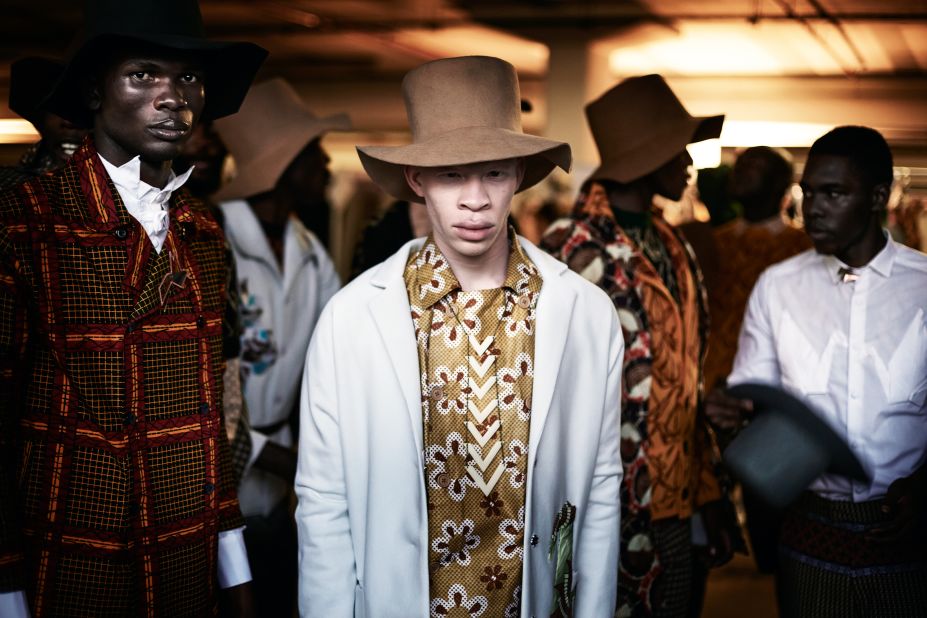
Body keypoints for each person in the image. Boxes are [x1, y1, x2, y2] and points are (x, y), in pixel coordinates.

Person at [295, 55, 622, 617]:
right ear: (416, 181)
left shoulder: (584, 313)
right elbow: (324, 501)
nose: (476, 198)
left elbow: (599, 488)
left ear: (519, 175)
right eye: (451, 175)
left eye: (494, 172)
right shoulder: (351, 319)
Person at [0, 0, 266, 615]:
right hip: (70, 560)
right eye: (143, 74)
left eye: (188, 78)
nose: (173, 97)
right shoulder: (26, 220)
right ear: (95, 92)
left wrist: (237, 572)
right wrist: (7, 589)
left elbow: (207, 424)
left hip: (186, 558)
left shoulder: (201, 229)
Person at [541, 74, 742, 618]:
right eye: (679, 148)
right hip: (614, 501)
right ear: (648, 155)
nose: (690, 163)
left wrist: (710, 492)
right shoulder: (571, 249)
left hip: (680, 502)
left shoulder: (673, 242)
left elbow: (685, 378)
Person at [707, 125, 927, 616]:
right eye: (808, 193)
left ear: (876, 197)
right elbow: (755, 397)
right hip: (808, 532)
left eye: (834, 193)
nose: (814, 208)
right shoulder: (778, 286)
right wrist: (731, 410)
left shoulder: (922, 288)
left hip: (910, 538)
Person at [210, 77, 346, 616]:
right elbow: (204, 384)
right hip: (216, 479)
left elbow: (335, 360)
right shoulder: (215, 243)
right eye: (315, 155)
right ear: (283, 166)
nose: (328, 169)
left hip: (282, 491)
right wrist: (286, 456)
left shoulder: (312, 254)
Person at [0, 56, 89, 189]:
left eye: (85, 109)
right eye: (58, 108)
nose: (70, 121)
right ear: (40, 118)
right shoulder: (7, 187)